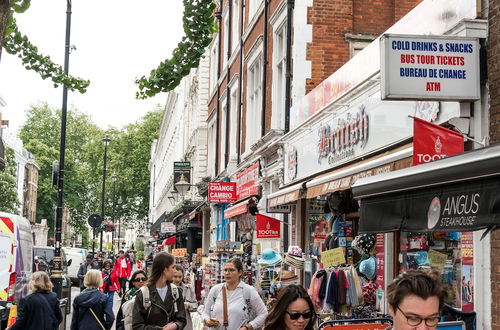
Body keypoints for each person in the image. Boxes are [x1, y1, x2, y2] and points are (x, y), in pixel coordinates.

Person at [203, 258, 268, 330]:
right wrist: (207, 320)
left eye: (231, 270)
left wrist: (248, 327)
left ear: (240, 272)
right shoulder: (216, 290)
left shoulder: (248, 291)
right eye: (225, 270)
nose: (227, 273)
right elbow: (206, 312)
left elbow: (264, 314)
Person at [132, 252, 187, 330]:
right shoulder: (144, 293)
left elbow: (182, 319)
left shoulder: (176, 291)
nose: (175, 271)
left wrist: (175, 325)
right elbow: (137, 325)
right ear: (165, 269)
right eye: (173, 267)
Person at [173, 265, 198, 330]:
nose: (177, 279)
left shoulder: (189, 288)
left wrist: (189, 305)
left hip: (185, 325)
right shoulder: (166, 289)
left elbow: (195, 306)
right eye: (175, 277)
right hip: (171, 324)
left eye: (180, 277)